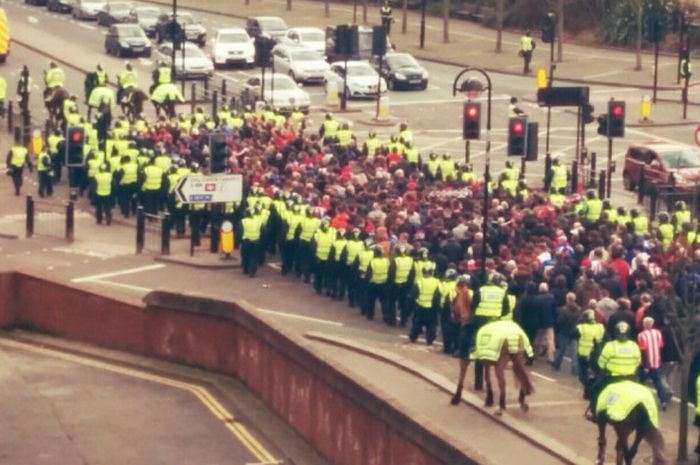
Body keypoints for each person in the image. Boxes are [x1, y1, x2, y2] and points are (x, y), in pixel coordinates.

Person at [637, 316, 671, 410]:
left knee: (640, 381)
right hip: (656, 361)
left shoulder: (641, 335)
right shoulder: (658, 333)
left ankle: (639, 400)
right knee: (657, 381)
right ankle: (663, 400)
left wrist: (645, 365)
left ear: (644, 325)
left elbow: (643, 351)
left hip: (646, 363)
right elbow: (661, 346)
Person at [409, 263, 441, 345]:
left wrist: (412, 306)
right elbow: (439, 295)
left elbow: (413, 295)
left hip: (421, 306)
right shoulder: (437, 282)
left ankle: (413, 337)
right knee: (431, 324)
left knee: (417, 323)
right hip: (432, 307)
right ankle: (430, 339)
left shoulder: (420, 282)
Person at [575, 309, 605, 387]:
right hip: (597, 353)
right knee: (595, 372)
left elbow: (573, 334)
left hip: (584, 353)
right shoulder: (600, 327)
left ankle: (587, 388)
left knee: (583, 374)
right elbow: (604, 337)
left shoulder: (581, 327)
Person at [365, 245, 391, 323]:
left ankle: (370, 315)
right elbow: (389, 272)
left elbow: (368, 274)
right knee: (384, 301)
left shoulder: (372, 262)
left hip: (374, 283)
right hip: (384, 283)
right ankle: (385, 316)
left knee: (371, 300)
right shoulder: (387, 261)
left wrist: (367, 282)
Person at [241, 208, 262, 277]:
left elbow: (239, 231)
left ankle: (245, 269)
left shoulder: (243, 221)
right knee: (254, 257)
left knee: (245, 256)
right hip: (256, 241)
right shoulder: (258, 221)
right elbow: (263, 230)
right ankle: (253, 270)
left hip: (246, 241)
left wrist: (239, 241)